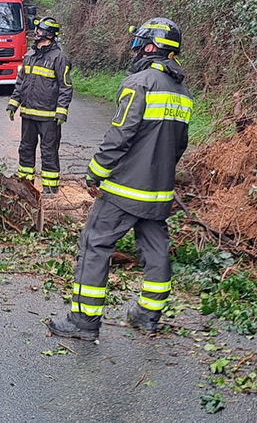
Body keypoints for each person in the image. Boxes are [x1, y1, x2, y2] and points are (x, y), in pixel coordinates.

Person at [47, 18, 192, 340]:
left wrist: (96, 171)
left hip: (124, 188)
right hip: (159, 191)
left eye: (140, 43)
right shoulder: (183, 92)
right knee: (155, 247)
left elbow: (120, 135)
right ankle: (148, 314)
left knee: (94, 244)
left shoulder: (139, 83)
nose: (137, 48)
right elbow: (179, 145)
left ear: (151, 46)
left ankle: (84, 321)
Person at [6, 17, 72, 195]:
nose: (37, 33)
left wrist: (61, 112)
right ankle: (25, 185)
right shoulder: (29, 55)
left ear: (50, 34)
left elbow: (66, 87)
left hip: (48, 116)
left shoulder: (59, 58)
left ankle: (50, 188)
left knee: (48, 151)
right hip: (28, 113)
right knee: (25, 149)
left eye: (40, 31)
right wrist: (13, 104)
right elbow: (21, 82)